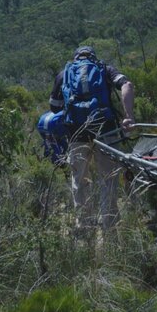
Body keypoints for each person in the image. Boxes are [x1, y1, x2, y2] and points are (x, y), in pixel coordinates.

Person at [49, 45, 135, 231]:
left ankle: (84, 224)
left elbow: (54, 107)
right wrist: (128, 116)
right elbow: (126, 85)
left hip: (76, 134)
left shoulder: (64, 74)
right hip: (106, 131)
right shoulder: (104, 69)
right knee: (108, 179)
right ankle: (109, 225)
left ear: (76, 57)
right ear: (93, 57)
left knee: (79, 180)